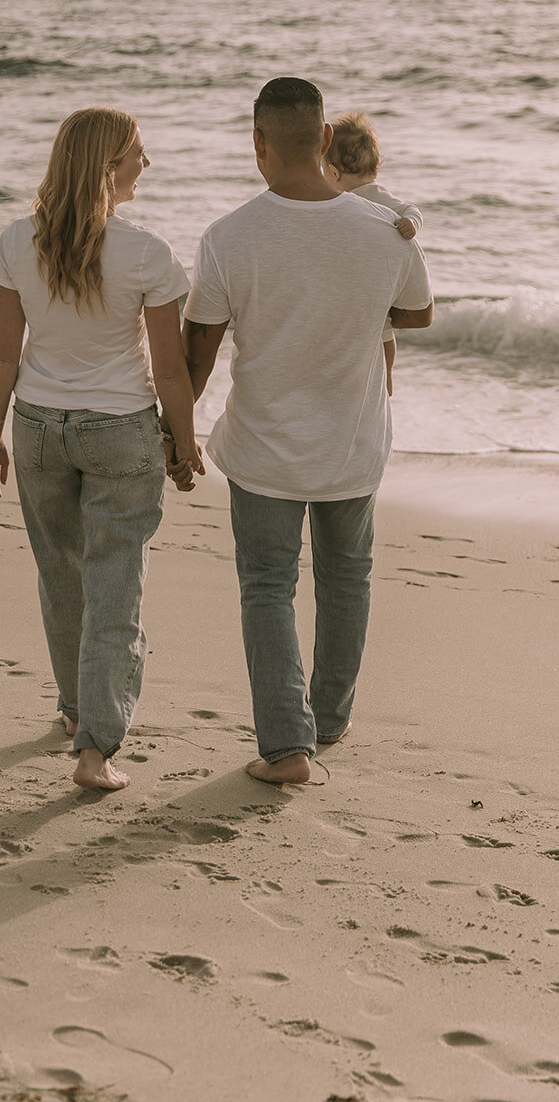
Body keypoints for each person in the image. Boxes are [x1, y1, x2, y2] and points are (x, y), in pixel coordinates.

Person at [179, 78, 433, 785]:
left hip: (262, 444)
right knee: (346, 579)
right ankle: (329, 719)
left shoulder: (228, 237)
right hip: (352, 440)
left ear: (257, 144)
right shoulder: (385, 232)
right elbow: (417, 314)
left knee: (266, 585)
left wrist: (176, 433)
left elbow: (198, 346)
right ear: (324, 139)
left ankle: (287, 747)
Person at [0, 108, 203, 793]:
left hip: (40, 426)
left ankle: (77, 706)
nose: (146, 164)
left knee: (62, 573)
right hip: (119, 431)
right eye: (138, 153)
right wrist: (184, 442)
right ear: (110, 167)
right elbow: (169, 371)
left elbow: (1, 355)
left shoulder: (21, 241)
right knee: (115, 583)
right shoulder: (145, 253)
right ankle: (95, 747)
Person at [324, 110, 423, 396]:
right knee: (381, 335)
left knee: (384, 337)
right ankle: (379, 380)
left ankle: (386, 378)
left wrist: (411, 225)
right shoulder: (338, 199)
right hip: (360, 280)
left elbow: (411, 209)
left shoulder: (378, 196)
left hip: (371, 285)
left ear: (333, 172)